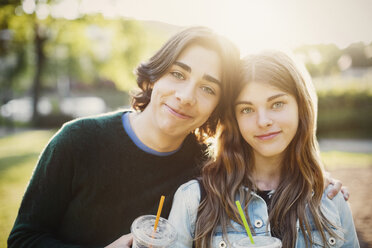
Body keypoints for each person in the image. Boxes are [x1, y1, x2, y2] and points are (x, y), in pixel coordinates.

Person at [7, 26, 241, 248]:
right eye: (178, 74)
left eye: (208, 88)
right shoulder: (77, 141)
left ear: (217, 108)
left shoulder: (207, 170)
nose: (186, 96)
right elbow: (23, 239)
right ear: (154, 76)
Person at [169, 50, 359, 247]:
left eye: (277, 104)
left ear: (301, 107)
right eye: (247, 109)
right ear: (234, 119)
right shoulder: (194, 200)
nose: (263, 121)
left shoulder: (331, 200)